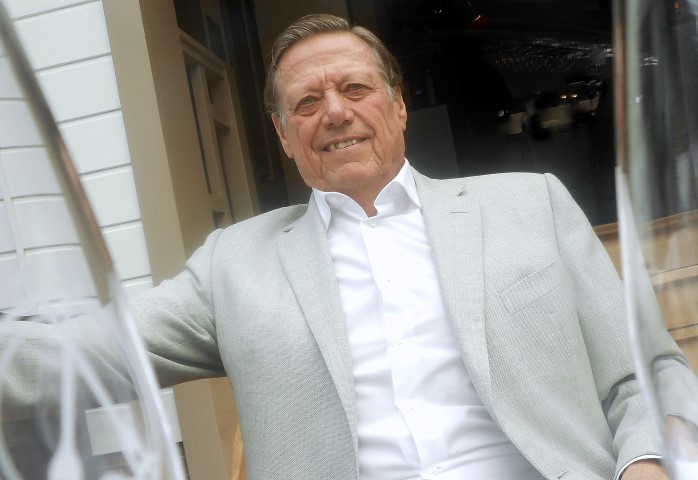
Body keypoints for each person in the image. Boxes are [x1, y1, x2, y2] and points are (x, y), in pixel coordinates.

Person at [2, 13, 686, 480]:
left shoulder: (530, 204)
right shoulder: (233, 266)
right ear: (282, 134)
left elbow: (644, 374)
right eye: (306, 103)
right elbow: (76, 356)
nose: (334, 112)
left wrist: (646, 465)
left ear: (398, 106)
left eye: (356, 89)